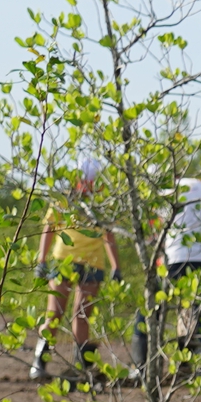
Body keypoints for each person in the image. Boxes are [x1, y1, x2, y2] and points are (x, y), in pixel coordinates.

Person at [30, 157, 122, 383]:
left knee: (81, 316)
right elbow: (49, 229)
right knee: (55, 314)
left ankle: (82, 367)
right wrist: (41, 260)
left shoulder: (102, 203)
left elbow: (108, 236)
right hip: (64, 261)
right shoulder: (64, 201)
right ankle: (39, 363)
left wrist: (116, 266)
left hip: (93, 264)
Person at [134, 177, 201, 375]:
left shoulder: (162, 194)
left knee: (149, 311)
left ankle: (144, 369)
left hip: (177, 260)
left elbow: (157, 233)